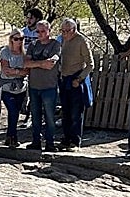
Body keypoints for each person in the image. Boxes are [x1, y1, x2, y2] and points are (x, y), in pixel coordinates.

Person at [25, 20, 61, 151]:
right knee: (35, 115)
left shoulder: (55, 44)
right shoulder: (33, 45)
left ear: (49, 31)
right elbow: (26, 63)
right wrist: (41, 64)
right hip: (34, 86)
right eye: (37, 31)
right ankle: (36, 141)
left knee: (50, 116)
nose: (39, 34)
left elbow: (52, 62)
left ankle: (50, 142)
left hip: (49, 87)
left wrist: (35, 63)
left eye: (42, 31)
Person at [57, 18, 92, 151]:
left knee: (76, 113)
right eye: (63, 31)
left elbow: (90, 64)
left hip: (76, 80)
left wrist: (79, 79)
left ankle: (75, 142)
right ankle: (66, 139)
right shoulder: (62, 40)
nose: (64, 33)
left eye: (67, 31)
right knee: (65, 112)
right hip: (64, 79)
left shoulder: (81, 41)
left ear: (74, 29)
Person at [0, 31, 29, 148]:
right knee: (13, 110)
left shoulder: (25, 53)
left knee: (16, 111)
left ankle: (10, 136)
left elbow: (27, 71)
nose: (19, 41)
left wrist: (15, 71)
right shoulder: (5, 52)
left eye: (21, 38)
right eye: (16, 39)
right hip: (6, 87)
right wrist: (18, 71)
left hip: (21, 88)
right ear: (11, 39)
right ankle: (12, 136)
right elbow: (6, 70)